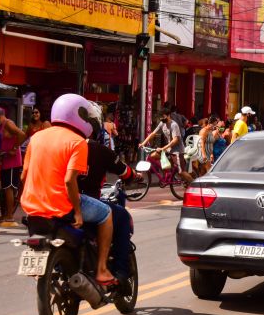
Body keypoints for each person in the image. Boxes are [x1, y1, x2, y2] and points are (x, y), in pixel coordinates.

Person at [20, 94, 116, 285]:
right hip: (60, 204)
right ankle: (102, 269)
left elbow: (23, 176)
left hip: (32, 207)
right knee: (106, 213)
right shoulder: (77, 142)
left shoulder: (36, 137)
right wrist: (78, 213)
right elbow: (69, 181)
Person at [77, 109, 141, 282]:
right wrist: (136, 175)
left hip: (51, 203)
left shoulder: (59, 145)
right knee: (121, 216)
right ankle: (118, 270)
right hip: (81, 203)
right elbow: (125, 171)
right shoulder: (98, 150)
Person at [0, 107, 26, 227]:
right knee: (4, 188)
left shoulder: (8, 124)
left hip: (12, 162)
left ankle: (9, 216)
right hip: (5, 160)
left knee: (9, 188)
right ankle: (4, 214)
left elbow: (22, 134)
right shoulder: (1, 126)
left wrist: (14, 149)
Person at [139, 108, 186, 172]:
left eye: (163, 117)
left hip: (177, 151)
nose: (161, 119)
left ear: (168, 115)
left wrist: (163, 148)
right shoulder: (162, 123)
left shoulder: (173, 125)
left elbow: (175, 140)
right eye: (160, 117)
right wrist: (143, 143)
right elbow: (153, 134)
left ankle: (192, 181)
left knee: (181, 172)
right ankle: (166, 174)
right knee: (153, 155)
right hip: (169, 149)